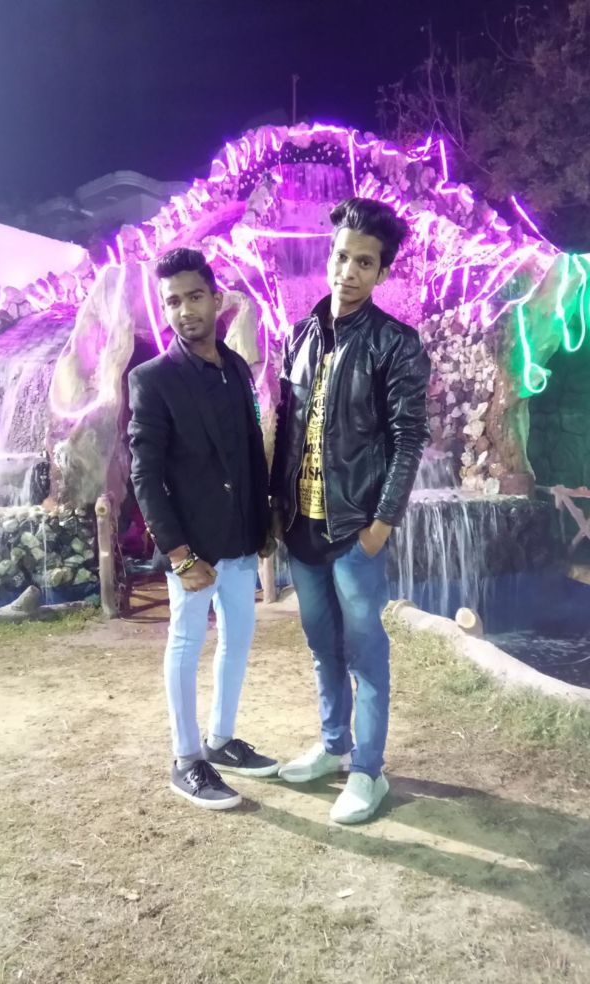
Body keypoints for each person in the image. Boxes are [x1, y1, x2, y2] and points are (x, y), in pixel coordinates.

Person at [271, 198, 431, 824]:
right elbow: (287, 429)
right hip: (303, 525)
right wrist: (275, 511)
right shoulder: (301, 335)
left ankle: (369, 770)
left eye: (365, 262)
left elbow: (408, 439)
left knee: (365, 653)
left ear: (382, 271)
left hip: (355, 528)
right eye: (342, 257)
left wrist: (381, 524)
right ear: (329, 256)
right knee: (323, 647)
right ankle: (334, 745)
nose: (349, 271)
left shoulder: (396, 344)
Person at [128, 247, 278, 811]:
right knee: (187, 643)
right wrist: (178, 554)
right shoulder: (153, 379)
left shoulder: (235, 367)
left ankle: (221, 739)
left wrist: (264, 522)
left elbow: (250, 450)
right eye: (172, 301)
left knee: (238, 639)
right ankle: (186, 760)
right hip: (192, 549)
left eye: (194, 297)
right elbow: (145, 475)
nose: (185, 310)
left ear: (217, 299)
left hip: (240, 538)